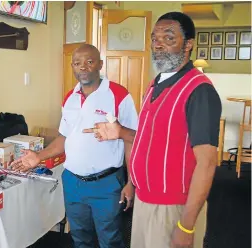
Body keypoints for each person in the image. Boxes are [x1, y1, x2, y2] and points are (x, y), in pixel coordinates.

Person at [83, 12, 222, 248]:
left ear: (188, 44)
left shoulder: (199, 91)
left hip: (172, 208)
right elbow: (151, 139)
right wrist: (119, 133)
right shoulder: (155, 84)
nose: (158, 44)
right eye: (154, 38)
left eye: (168, 38)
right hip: (145, 201)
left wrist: (186, 226)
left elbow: (207, 163)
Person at [11, 44, 138, 248]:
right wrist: (38, 155)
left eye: (90, 61)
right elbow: (64, 137)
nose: (84, 67)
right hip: (73, 182)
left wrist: (132, 182)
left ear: (100, 64)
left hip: (106, 184)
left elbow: (133, 139)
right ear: (72, 67)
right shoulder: (69, 98)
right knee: (80, 239)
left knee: (110, 240)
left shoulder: (119, 95)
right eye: (78, 63)